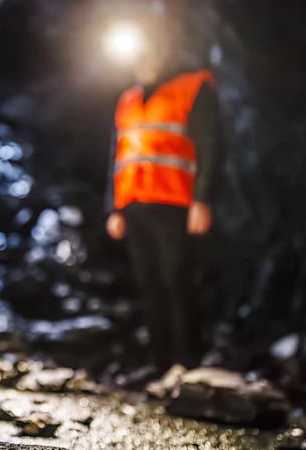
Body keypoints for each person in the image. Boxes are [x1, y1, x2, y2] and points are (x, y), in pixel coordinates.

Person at [104, 27, 222, 369]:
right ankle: (160, 364)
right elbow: (117, 154)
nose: (144, 62)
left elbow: (210, 147)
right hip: (135, 202)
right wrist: (113, 208)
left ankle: (186, 362)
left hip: (174, 203)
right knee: (148, 283)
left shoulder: (193, 88)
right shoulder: (127, 99)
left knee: (178, 280)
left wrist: (202, 199)